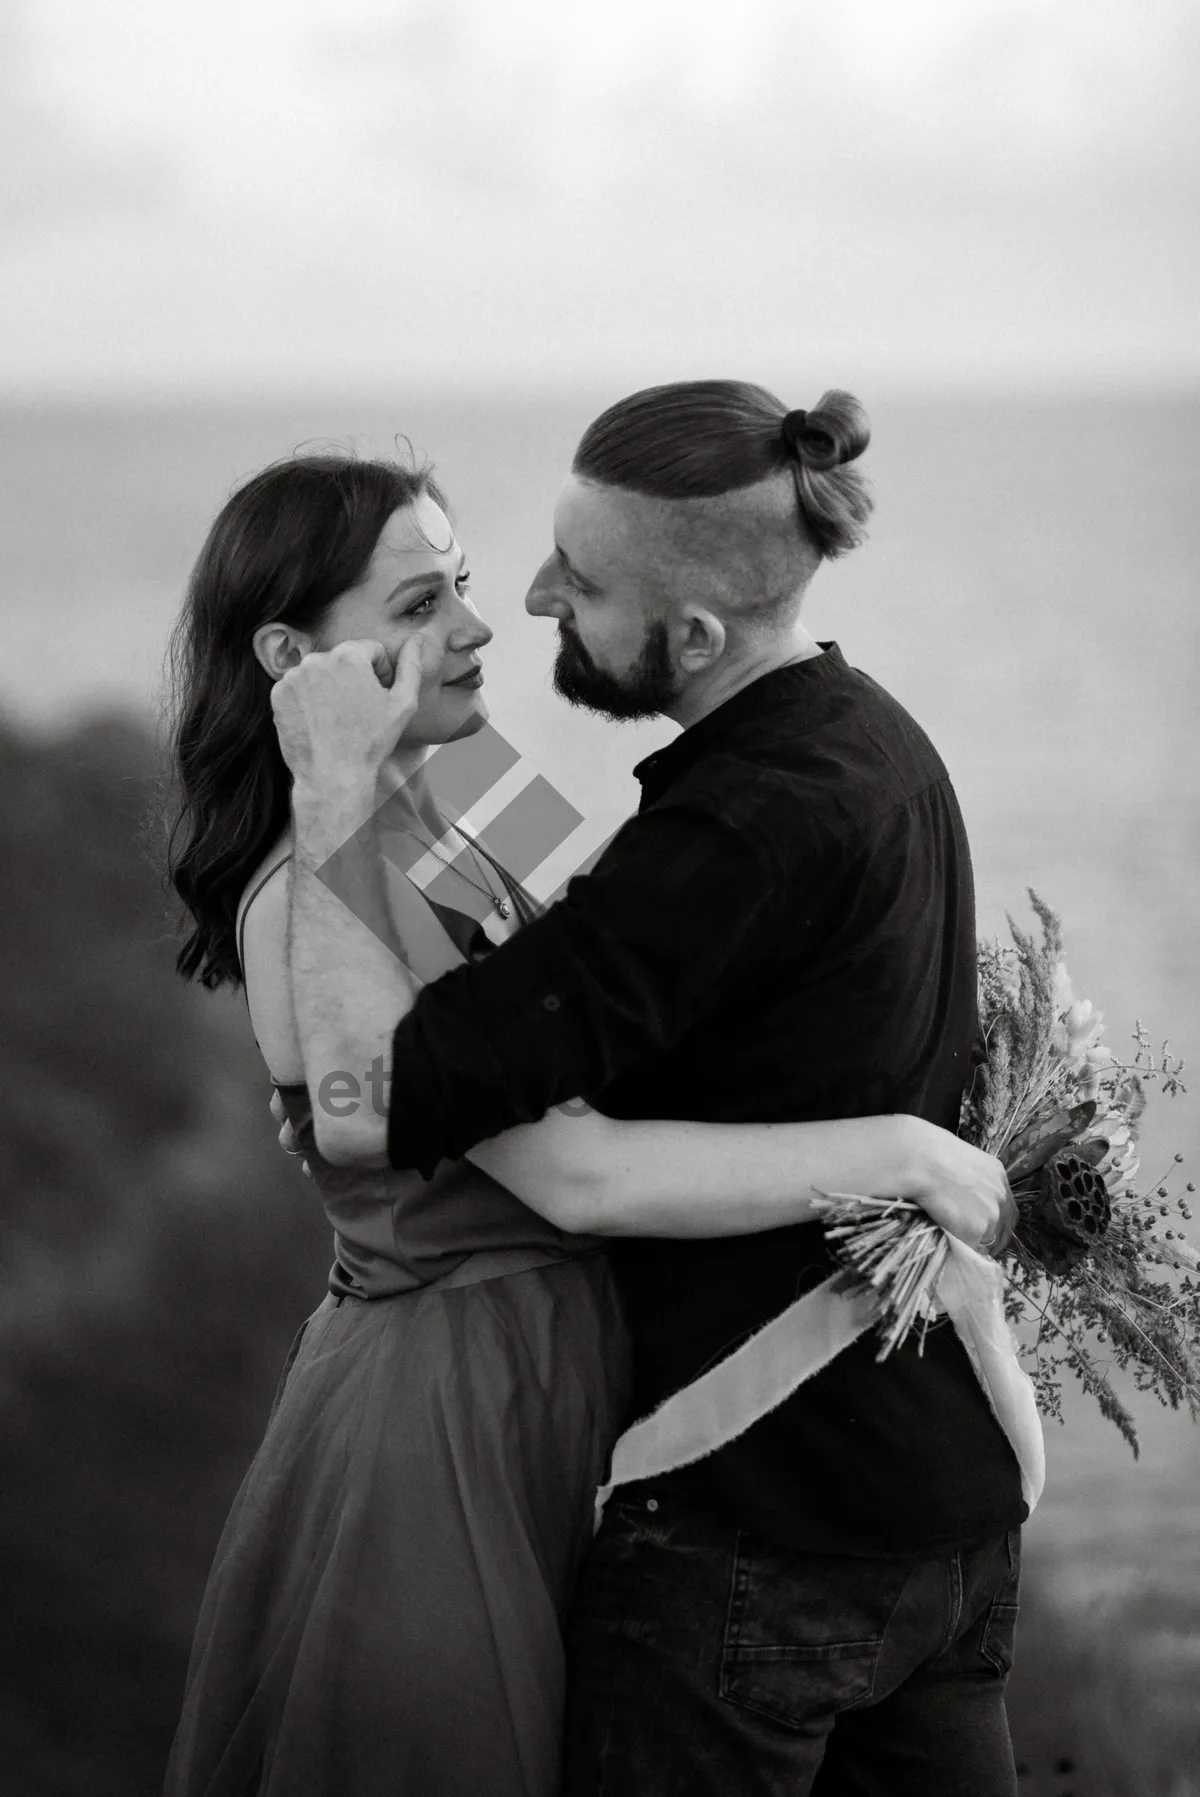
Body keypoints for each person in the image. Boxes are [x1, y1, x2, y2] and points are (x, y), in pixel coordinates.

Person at [161, 447, 1013, 1797]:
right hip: (452, 1403)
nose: (480, 627)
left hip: (583, 1373)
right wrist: (900, 1155)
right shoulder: (301, 901)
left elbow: (653, 988)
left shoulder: (465, 789)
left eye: (465, 586)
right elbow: (566, 1166)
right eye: (417, 605)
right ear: (290, 655)